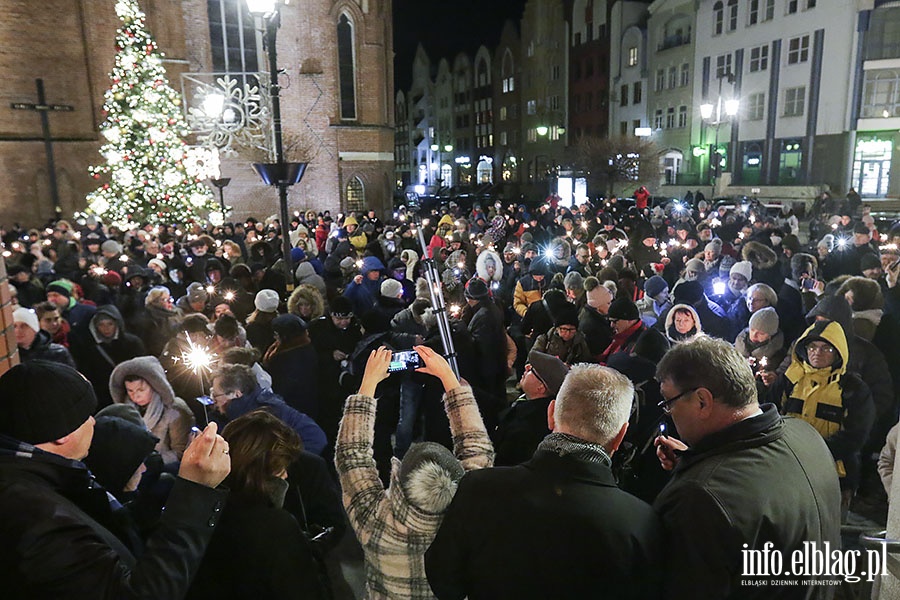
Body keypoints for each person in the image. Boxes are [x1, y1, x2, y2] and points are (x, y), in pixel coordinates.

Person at [426, 363, 663, 600]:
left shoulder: (479, 488)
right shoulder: (641, 523)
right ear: (620, 435)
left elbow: (444, 580)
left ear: (551, 414)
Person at [0, 360, 230, 598]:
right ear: (62, 433)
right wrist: (195, 491)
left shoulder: (36, 482)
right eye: (85, 415)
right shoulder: (36, 517)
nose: (93, 422)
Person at [653, 336, 841, 597]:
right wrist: (697, 462)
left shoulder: (697, 497)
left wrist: (698, 478)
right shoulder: (806, 435)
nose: (669, 413)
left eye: (669, 402)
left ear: (702, 401)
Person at [335, 345, 493, 599]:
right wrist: (450, 379)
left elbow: (351, 456)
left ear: (399, 479)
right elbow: (477, 448)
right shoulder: (475, 515)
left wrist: (367, 386)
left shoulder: (376, 523)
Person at [187, 410, 326, 599]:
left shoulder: (200, 509)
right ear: (267, 470)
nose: (286, 475)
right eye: (282, 467)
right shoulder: (275, 526)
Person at [767, 320, 875, 516]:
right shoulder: (789, 380)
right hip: (787, 470)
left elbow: (856, 435)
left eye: (826, 348)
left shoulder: (852, 388)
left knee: (827, 536)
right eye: (812, 347)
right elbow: (770, 417)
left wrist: (815, 453)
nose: (817, 352)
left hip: (833, 477)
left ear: (838, 352)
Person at [211, 363, 327, 456]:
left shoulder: (264, 414)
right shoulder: (246, 405)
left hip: (307, 449)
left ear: (236, 394)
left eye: (216, 396)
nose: (213, 401)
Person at [110, 356, 195, 464]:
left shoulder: (174, 410)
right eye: (130, 391)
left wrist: (150, 462)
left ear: (155, 386)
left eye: (141, 390)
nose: (136, 396)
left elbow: (181, 452)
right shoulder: (124, 412)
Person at [493, 350, 569, 466]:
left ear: (541, 388)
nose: (526, 367)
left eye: (532, 370)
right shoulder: (529, 403)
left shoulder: (528, 427)